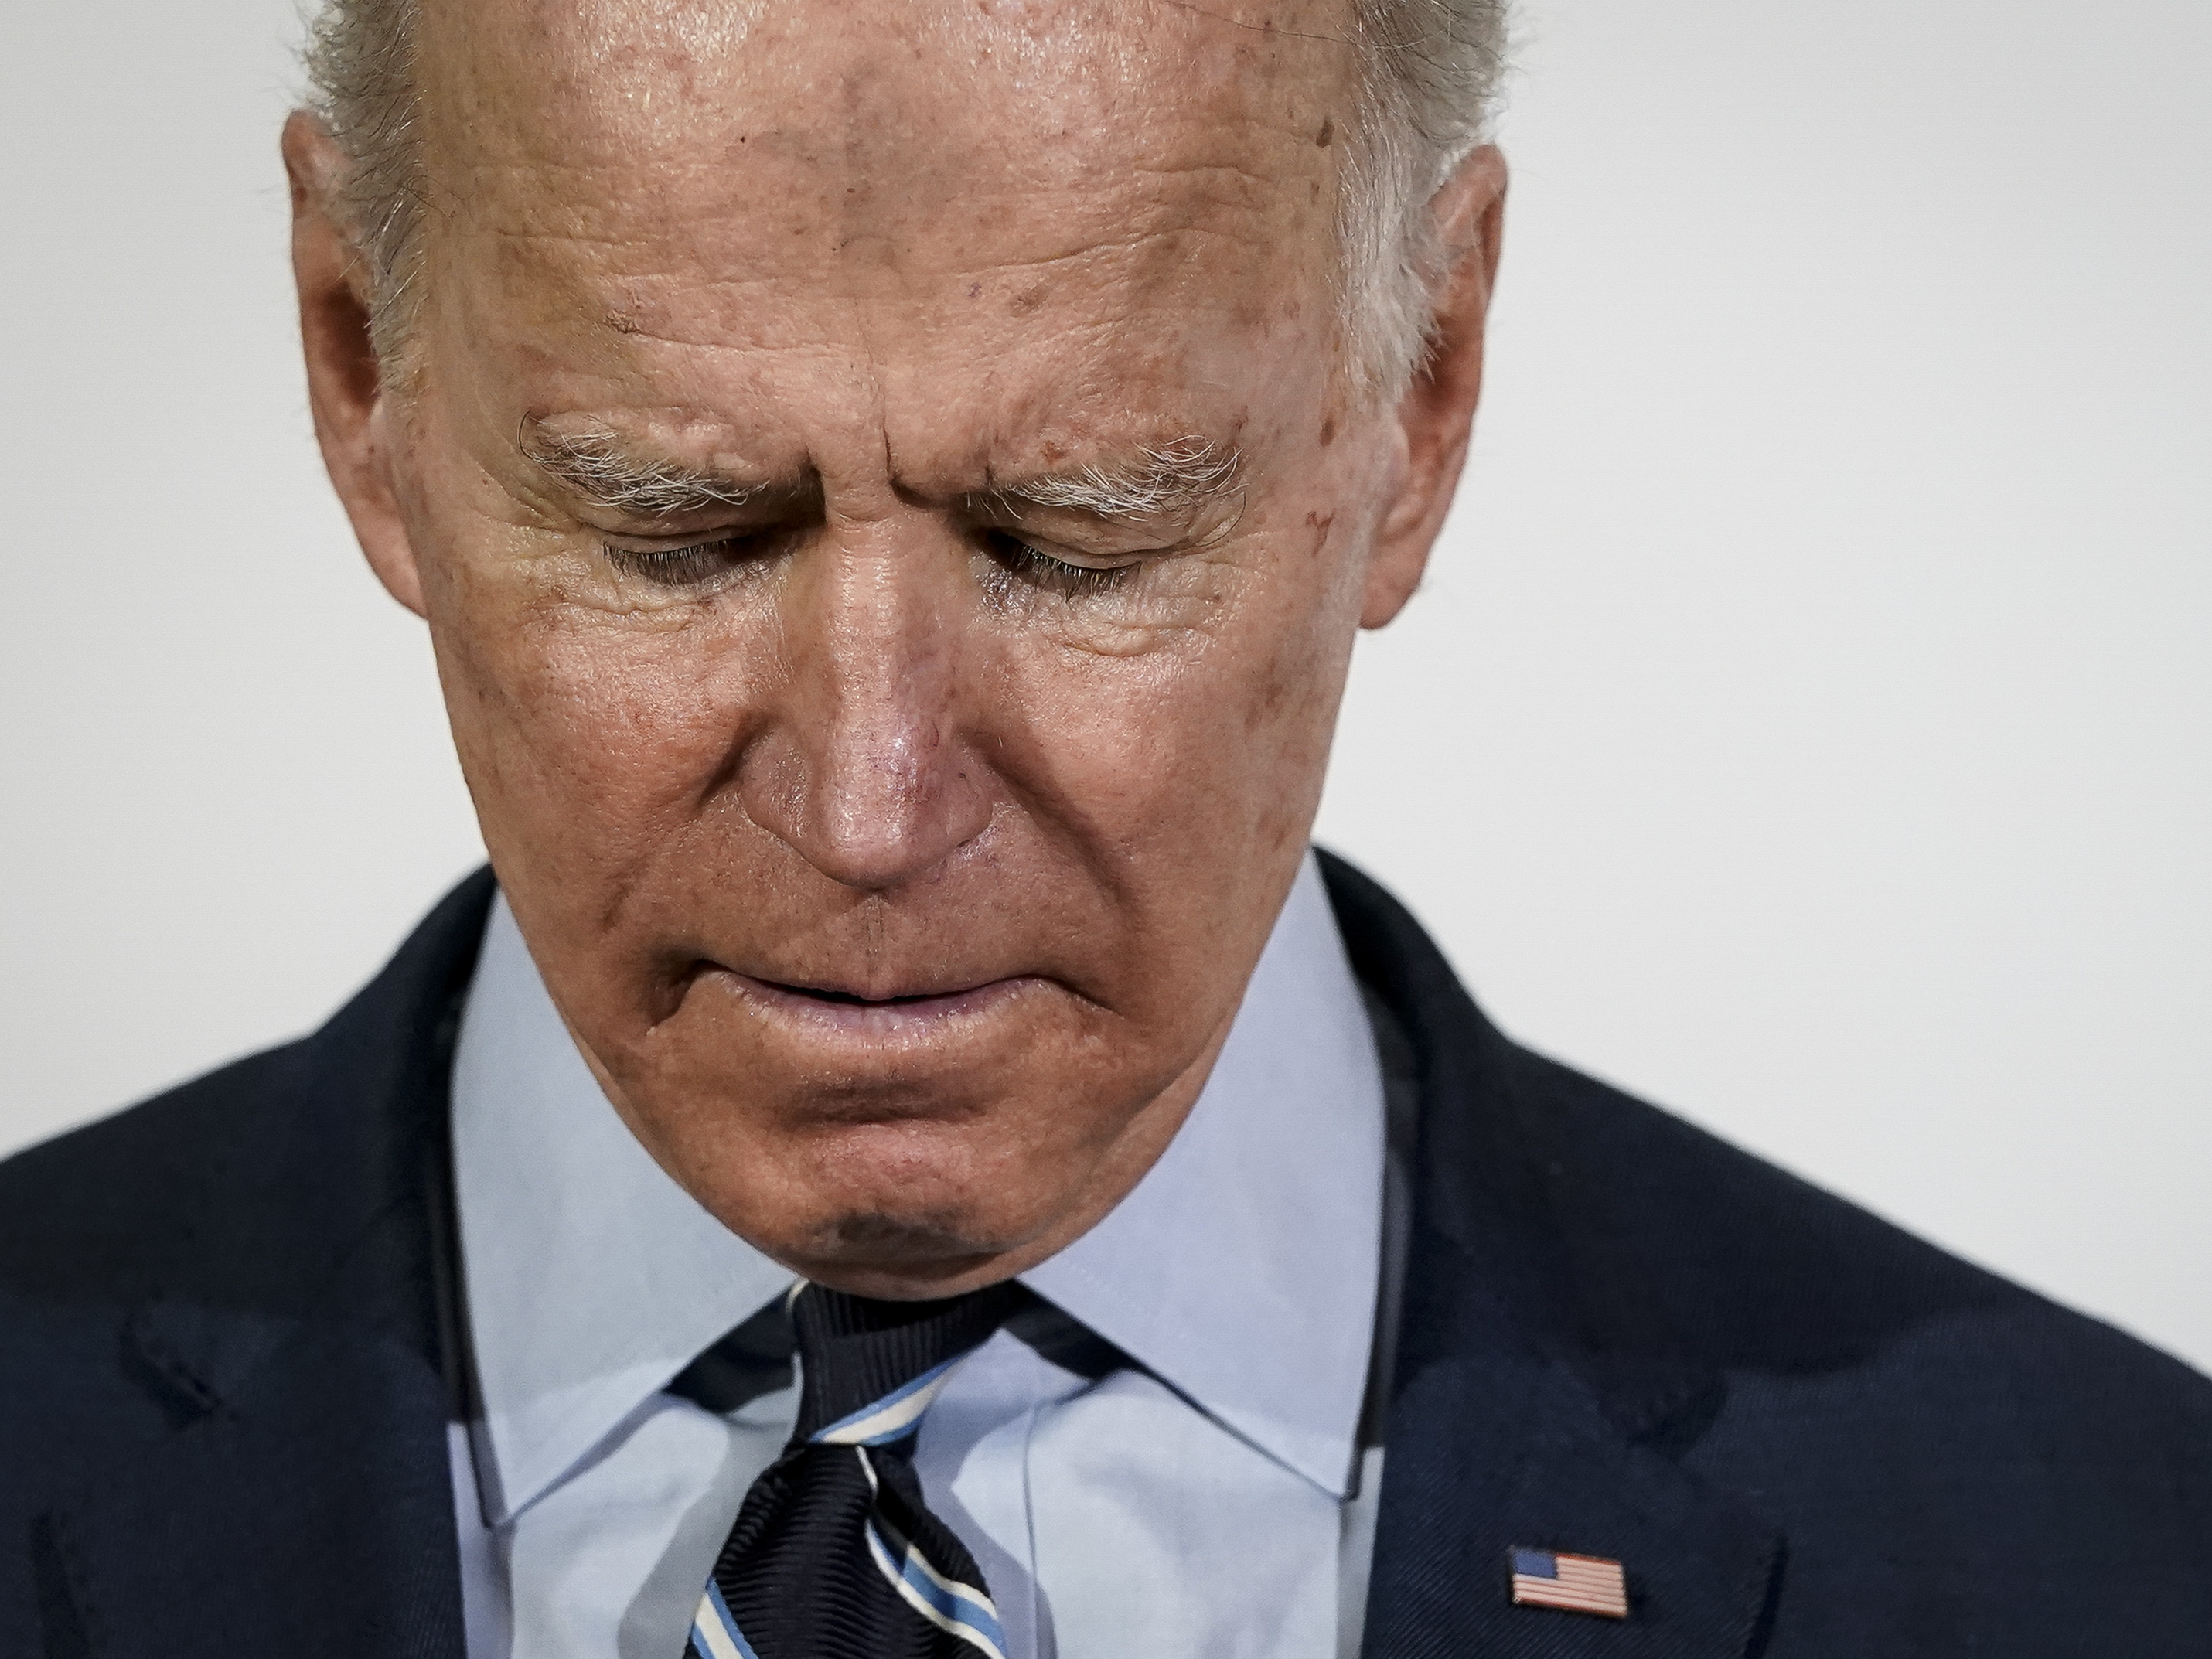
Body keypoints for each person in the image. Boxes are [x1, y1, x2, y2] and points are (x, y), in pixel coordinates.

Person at [2, 0, 2205, 1654]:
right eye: (675, 529)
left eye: (1078, 540)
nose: (873, 811)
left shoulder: (2112, 1553)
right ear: (358, 361)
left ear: (1420, 391)